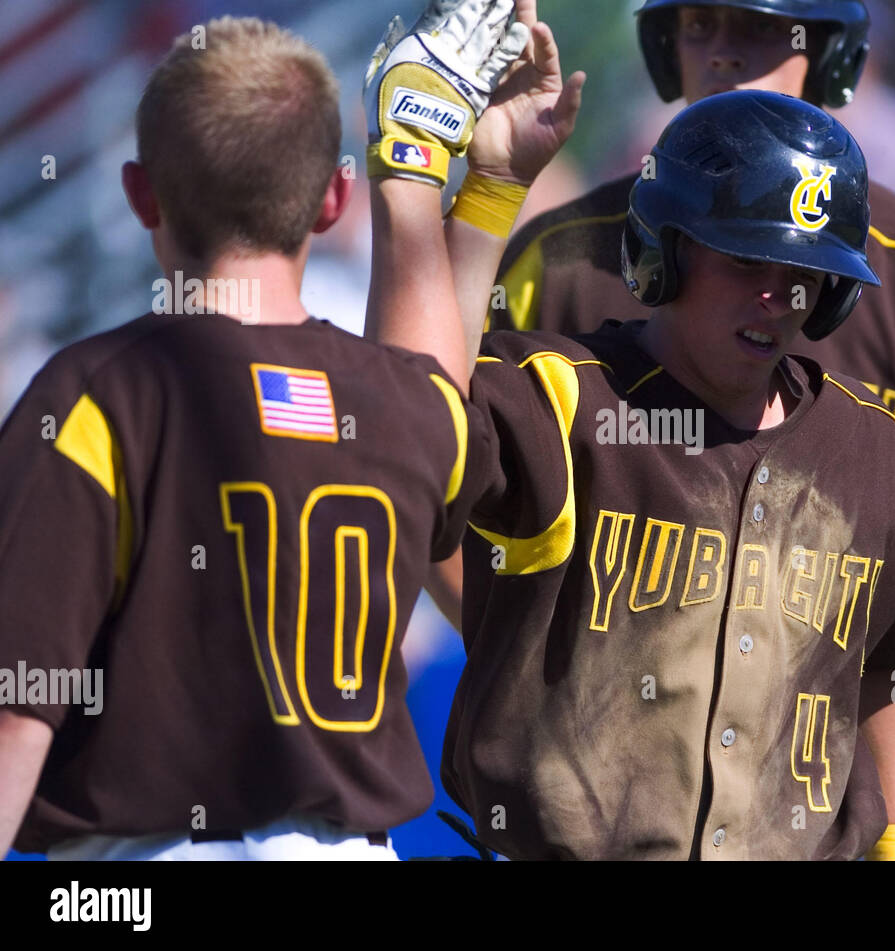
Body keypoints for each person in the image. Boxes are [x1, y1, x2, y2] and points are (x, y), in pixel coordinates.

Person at [486, 0, 895, 844]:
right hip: (612, 813)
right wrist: (535, 674)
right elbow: (452, 485)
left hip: (848, 806)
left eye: (757, 30)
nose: (721, 54)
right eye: (699, 27)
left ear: (829, 54)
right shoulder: (562, 261)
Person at [369, 2, 895, 856]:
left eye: (804, 273)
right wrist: (458, 189)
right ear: (664, 251)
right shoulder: (565, 401)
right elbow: (406, 426)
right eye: (744, 260)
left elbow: (885, 671)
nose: (777, 296)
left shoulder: (881, 455)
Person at [0, 7, 535, 859]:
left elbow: (19, 717)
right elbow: (431, 379)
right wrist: (448, 176)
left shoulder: (97, 397)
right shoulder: (393, 403)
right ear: (332, 201)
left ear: (141, 195)